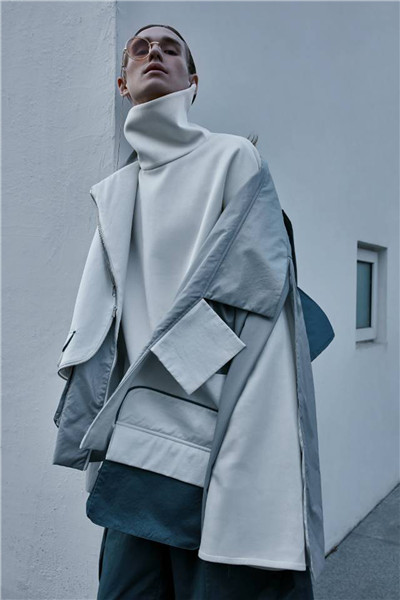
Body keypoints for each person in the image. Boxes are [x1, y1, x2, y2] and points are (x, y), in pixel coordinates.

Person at [53, 22, 328, 599]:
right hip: (136, 441)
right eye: (140, 48)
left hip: (217, 427)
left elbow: (254, 289)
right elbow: (103, 325)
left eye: (170, 48)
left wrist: (165, 380)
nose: (154, 52)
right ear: (123, 83)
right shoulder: (116, 191)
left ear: (192, 78)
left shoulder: (231, 158)